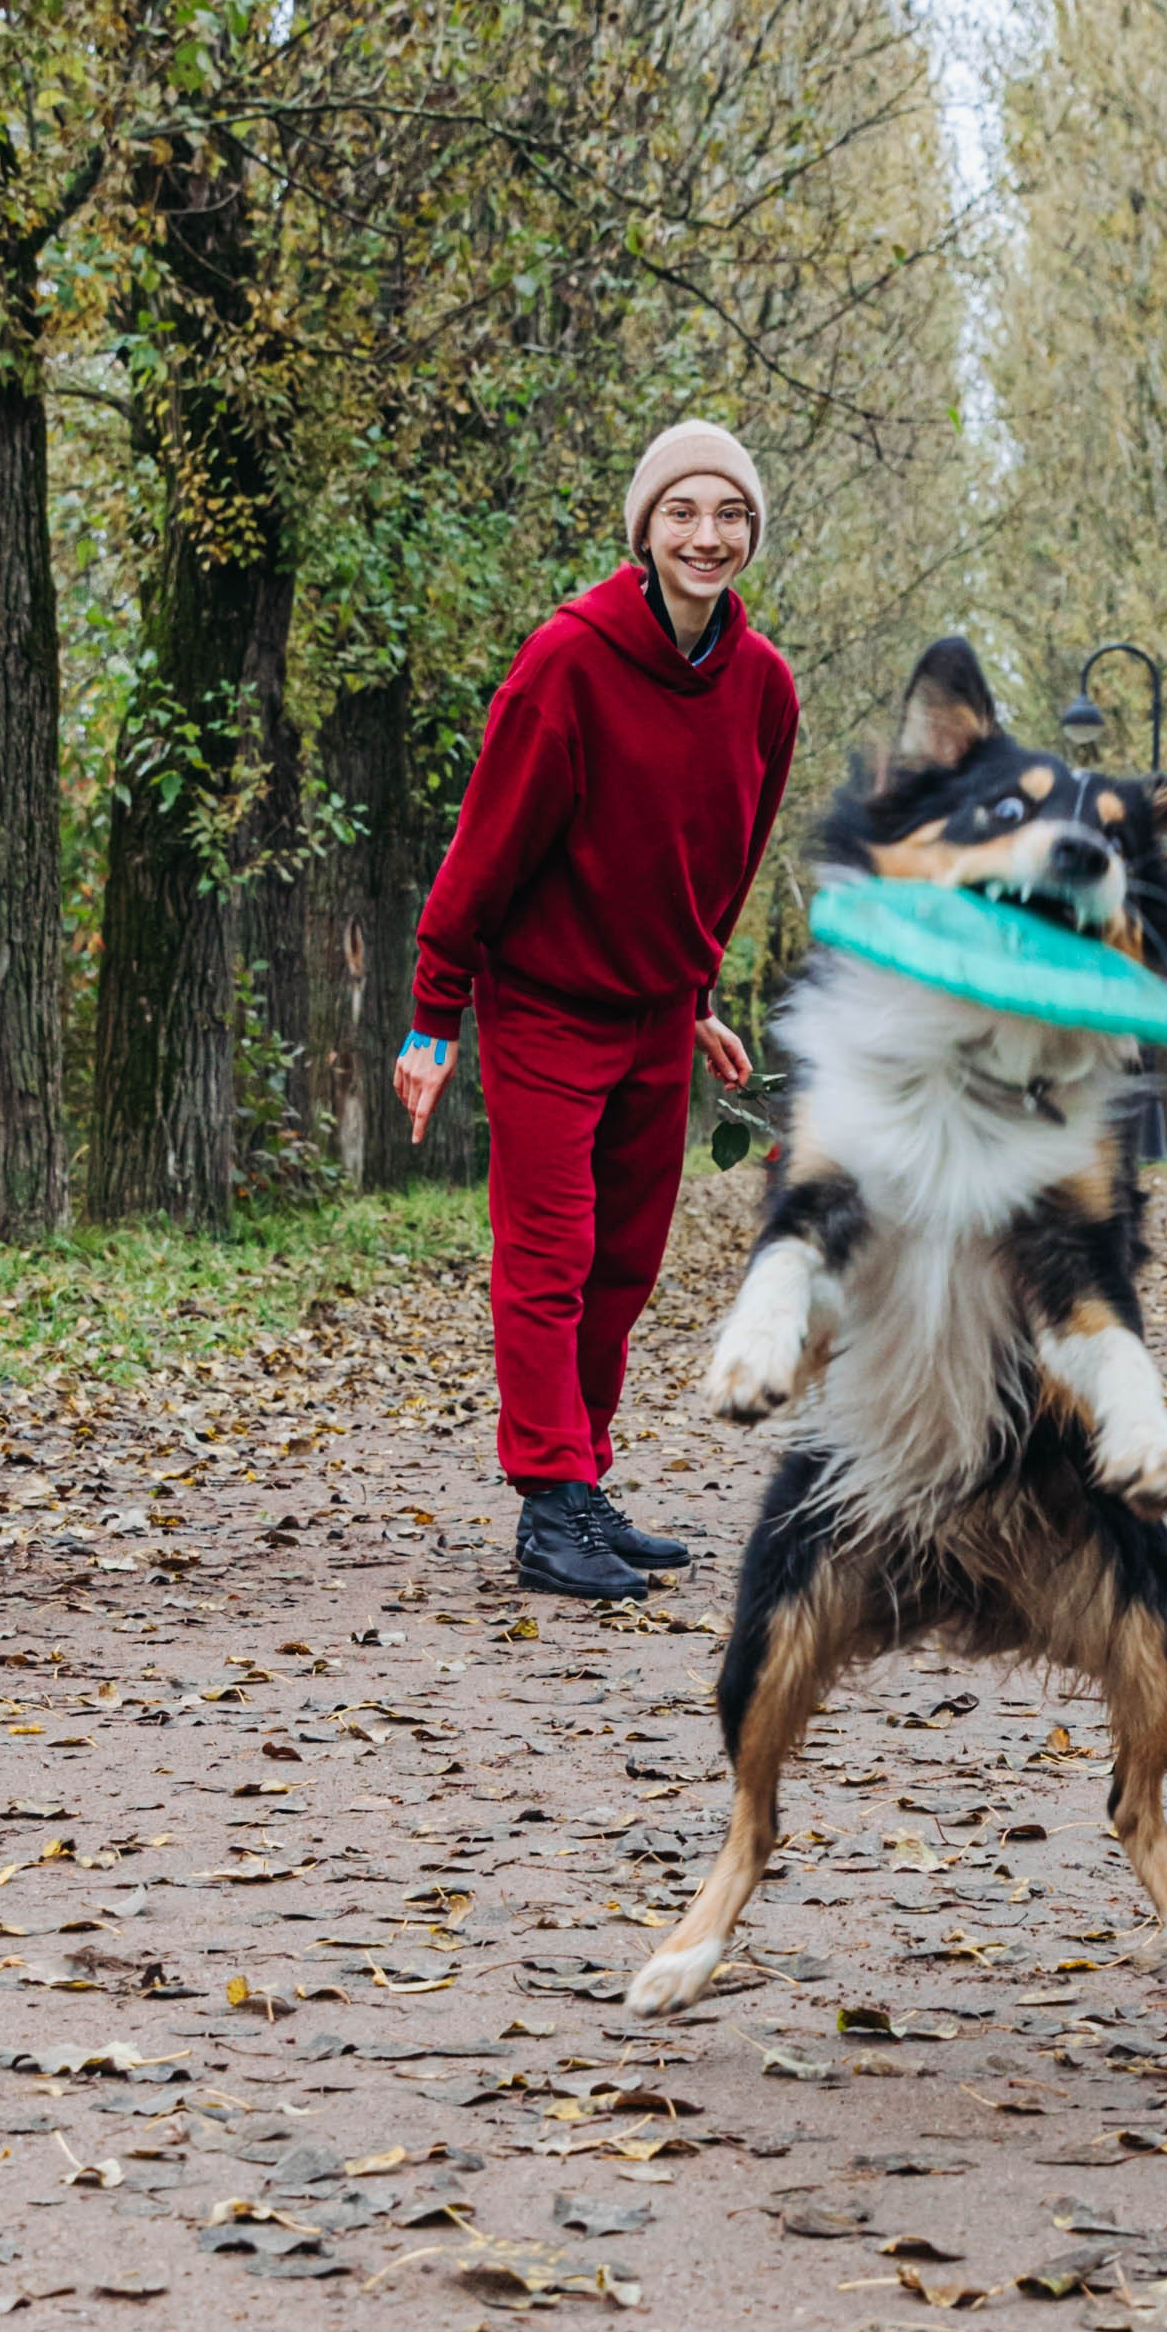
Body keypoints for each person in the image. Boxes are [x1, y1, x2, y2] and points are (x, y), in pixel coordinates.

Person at [395, 421, 798, 1599]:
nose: (706, 535)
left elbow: (714, 854)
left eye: (729, 515)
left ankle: (582, 1483)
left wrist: (696, 990)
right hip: (544, 1006)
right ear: (644, 530)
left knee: (624, 1260)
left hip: (650, 1013)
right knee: (551, 1251)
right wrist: (435, 1012)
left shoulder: (762, 687)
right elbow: (486, 847)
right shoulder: (565, 662)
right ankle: (546, 1502)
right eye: (682, 513)